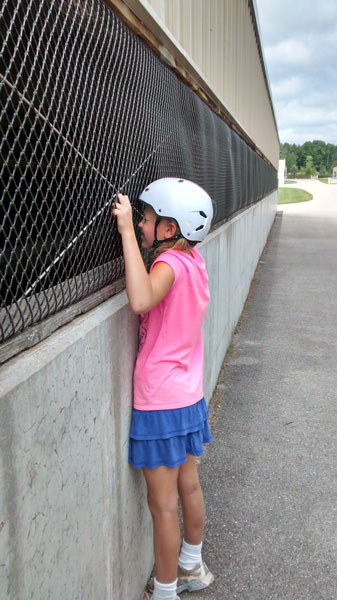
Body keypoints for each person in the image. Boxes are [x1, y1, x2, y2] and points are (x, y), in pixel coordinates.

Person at [112, 178, 214, 600]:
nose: (141, 223)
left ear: (171, 229)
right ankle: (193, 564)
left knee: (162, 506)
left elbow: (140, 299)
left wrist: (123, 234)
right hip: (187, 395)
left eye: (148, 218)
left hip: (161, 402)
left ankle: (168, 591)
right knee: (188, 486)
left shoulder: (167, 266)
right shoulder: (195, 262)